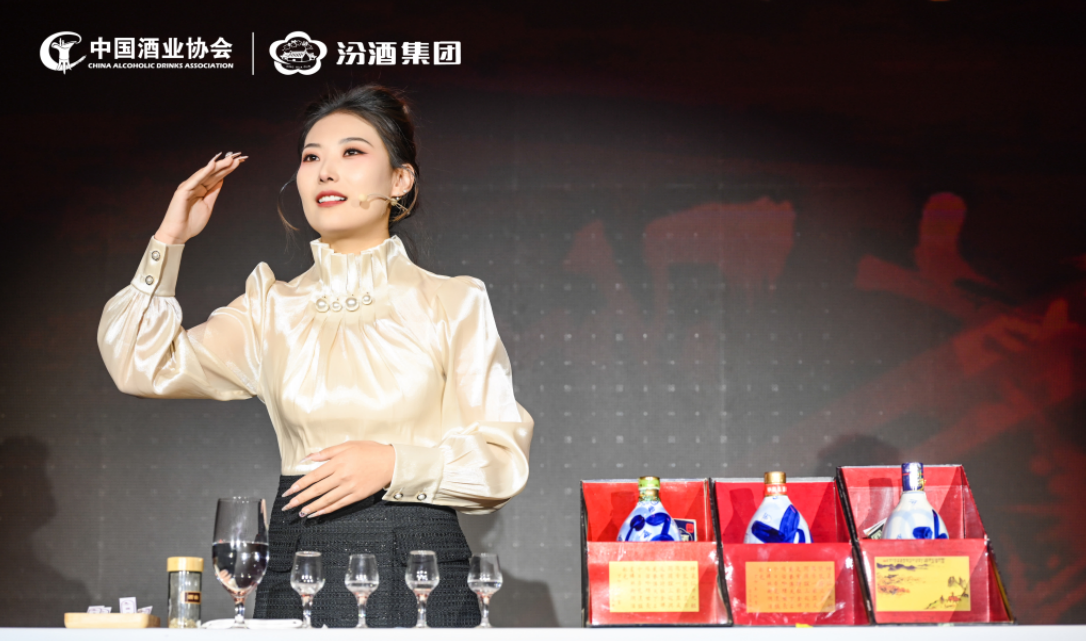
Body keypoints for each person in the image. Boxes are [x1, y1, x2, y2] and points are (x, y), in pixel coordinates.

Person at [97, 84, 534, 628]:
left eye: (352, 152)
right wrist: (170, 238)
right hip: (298, 564)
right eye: (310, 157)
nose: (326, 171)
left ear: (400, 180)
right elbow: (139, 364)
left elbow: (502, 460)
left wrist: (395, 464)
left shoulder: (453, 301)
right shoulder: (270, 308)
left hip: (420, 570)